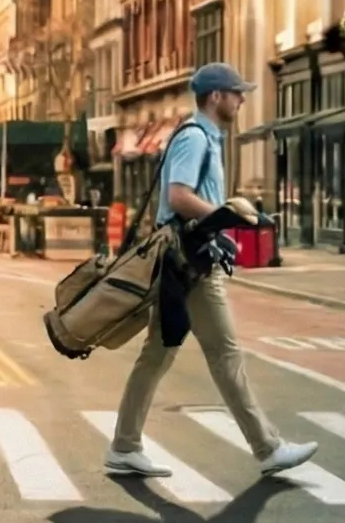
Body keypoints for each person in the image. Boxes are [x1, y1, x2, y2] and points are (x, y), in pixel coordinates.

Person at [105, 62, 318, 481]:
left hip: (188, 259)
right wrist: (230, 217)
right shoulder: (196, 138)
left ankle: (124, 446)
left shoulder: (205, 138)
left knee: (158, 354)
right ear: (216, 96)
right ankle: (268, 448)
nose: (242, 99)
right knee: (223, 353)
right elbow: (179, 197)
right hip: (192, 262)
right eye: (237, 93)